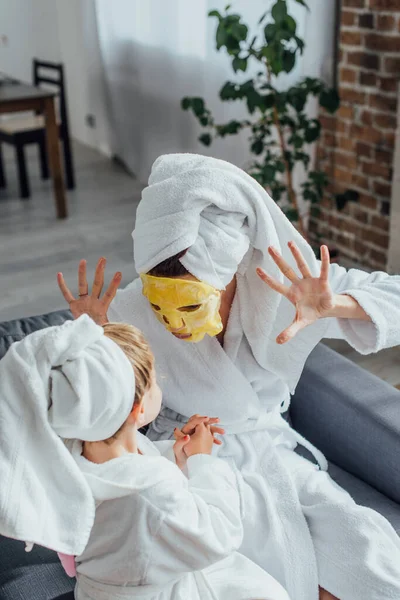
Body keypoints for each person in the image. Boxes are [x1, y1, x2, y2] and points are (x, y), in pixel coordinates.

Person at [58, 153, 400, 600]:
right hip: (189, 457)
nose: (174, 325)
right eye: (160, 306)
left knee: (365, 553)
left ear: (228, 272)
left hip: (273, 453)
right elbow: (89, 396)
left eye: (190, 305)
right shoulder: (128, 309)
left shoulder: (283, 286)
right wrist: (97, 334)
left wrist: (337, 305)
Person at [0, 314, 290, 600]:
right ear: (136, 409)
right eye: (155, 380)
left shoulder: (68, 454)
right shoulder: (149, 491)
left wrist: (177, 458)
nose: (160, 384)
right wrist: (203, 460)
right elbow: (219, 535)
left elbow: (135, 487)